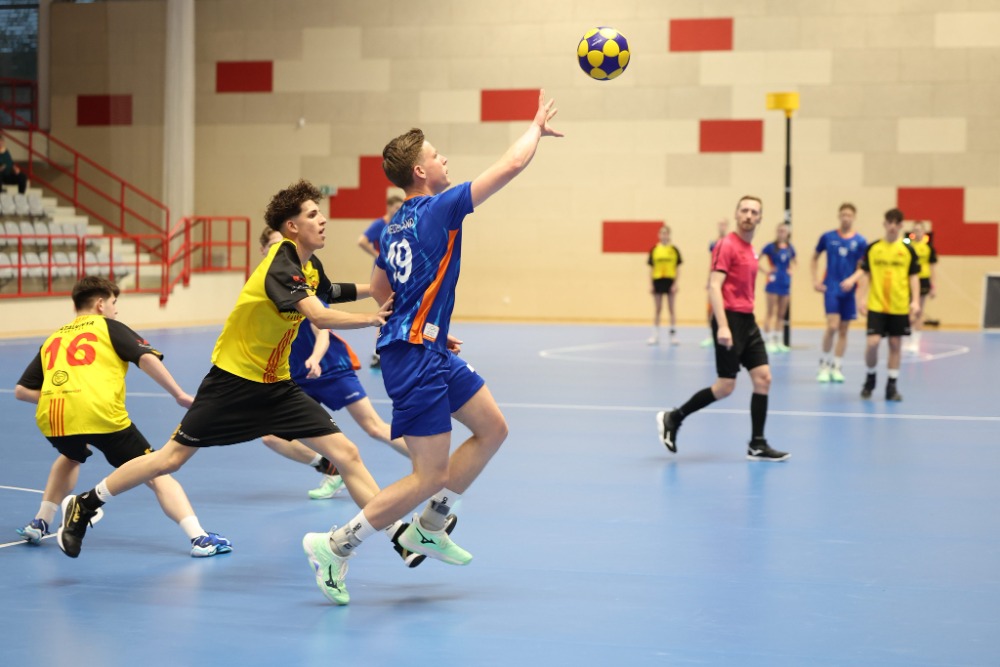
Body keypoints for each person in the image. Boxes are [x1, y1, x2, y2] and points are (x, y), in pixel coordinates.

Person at [298, 90, 563, 605]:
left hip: (428, 346)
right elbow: (510, 165)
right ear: (420, 172)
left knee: (493, 428)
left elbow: (381, 287)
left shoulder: (394, 224)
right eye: (437, 155)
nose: (445, 160)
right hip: (414, 357)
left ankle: (429, 528)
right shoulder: (441, 207)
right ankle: (334, 545)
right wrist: (535, 128)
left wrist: (427, 323)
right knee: (428, 475)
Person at [56, 181, 393, 576]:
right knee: (170, 460)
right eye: (313, 215)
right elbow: (318, 314)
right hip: (232, 383)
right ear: (292, 227)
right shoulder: (280, 265)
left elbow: (329, 290)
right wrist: (373, 318)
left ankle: (396, 532)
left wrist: (373, 289)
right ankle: (87, 503)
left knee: (347, 453)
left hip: (276, 386)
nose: (323, 220)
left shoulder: (308, 264)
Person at [13, 276, 231, 557]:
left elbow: (22, 391)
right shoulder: (108, 326)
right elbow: (146, 358)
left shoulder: (54, 338)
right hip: (101, 415)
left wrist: (62, 396)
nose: (116, 309)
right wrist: (178, 394)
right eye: (114, 302)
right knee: (157, 469)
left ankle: (40, 522)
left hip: (53, 420)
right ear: (100, 304)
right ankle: (199, 538)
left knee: (71, 455)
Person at [256, 227, 410, 501]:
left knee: (373, 426)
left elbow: (323, 328)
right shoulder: (263, 289)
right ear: (262, 251)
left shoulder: (302, 283)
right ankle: (329, 468)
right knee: (271, 436)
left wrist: (315, 358)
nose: (281, 252)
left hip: (331, 368)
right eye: (273, 247)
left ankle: (434, 467)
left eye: (284, 246)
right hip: (297, 375)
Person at [656, 196, 789, 462]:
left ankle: (757, 444)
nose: (749, 215)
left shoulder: (752, 250)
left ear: (760, 218)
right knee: (725, 386)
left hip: (748, 320)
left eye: (754, 212)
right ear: (737, 214)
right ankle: (674, 418)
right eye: (744, 210)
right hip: (729, 319)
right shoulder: (726, 245)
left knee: (763, 378)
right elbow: (714, 286)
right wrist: (723, 326)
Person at [854, 208, 920, 401]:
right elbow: (866, 274)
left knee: (895, 344)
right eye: (889, 222)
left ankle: (892, 385)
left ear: (901, 226)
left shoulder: (907, 250)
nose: (892, 226)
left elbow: (913, 277)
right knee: (872, 343)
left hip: (899, 306)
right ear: (884, 224)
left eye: (896, 223)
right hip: (877, 305)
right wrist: (860, 298)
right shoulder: (874, 248)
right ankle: (870, 377)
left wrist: (915, 301)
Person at [811, 203, 867, 383]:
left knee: (844, 329)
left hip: (849, 290)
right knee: (832, 325)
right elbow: (814, 258)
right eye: (843, 214)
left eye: (849, 215)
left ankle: (837, 366)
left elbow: (864, 268)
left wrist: (852, 280)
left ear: (854, 217)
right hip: (832, 288)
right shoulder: (828, 237)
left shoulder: (860, 241)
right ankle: (824, 364)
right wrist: (816, 280)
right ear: (839, 216)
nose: (846, 218)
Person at [359, 195, 404, 368]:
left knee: (397, 312)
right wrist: (378, 255)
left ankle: (393, 349)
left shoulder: (401, 224)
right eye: (396, 207)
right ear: (389, 207)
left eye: (401, 208)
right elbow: (362, 241)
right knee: (385, 312)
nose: (398, 211)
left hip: (399, 274)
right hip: (383, 276)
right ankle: (377, 352)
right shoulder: (380, 224)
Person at [759, 223, 797, 353]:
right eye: (779, 230)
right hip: (773, 282)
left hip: (785, 283)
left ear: (787, 233)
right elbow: (756, 260)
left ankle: (778, 341)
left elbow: (794, 262)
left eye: (784, 231)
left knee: (781, 314)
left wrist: (791, 270)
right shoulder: (770, 247)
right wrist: (766, 271)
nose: (781, 233)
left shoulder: (790, 248)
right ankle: (768, 340)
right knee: (771, 312)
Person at [903, 220, 937, 354]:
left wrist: (933, 286)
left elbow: (933, 267)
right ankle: (907, 338)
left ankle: (916, 341)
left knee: (918, 311)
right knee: (906, 311)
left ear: (923, 232)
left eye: (920, 230)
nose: (917, 233)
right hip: (907, 281)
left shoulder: (928, 248)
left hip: (923, 280)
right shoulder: (907, 246)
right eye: (915, 230)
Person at [646, 224, 682, 346]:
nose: (664, 235)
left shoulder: (674, 250)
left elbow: (678, 268)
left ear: (669, 235)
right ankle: (655, 335)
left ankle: (673, 335)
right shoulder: (655, 250)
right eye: (662, 233)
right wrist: (651, 284)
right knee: (658, 309)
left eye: (666, 233)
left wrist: (675, 284)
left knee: (671, 309)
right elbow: (651, 269)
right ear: (659, 235)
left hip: (670, 281)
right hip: (657, 280)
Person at [700, 218, 730, 347]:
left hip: (727, 279)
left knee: (726, 307)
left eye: (724, 224)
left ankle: (726, 332)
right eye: (720, 224)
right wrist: (709, 279)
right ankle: (710, 334)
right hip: (715, 278)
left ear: (727, 226)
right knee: (711, 307)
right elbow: (712, 262)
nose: (722, 226)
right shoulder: (713, 243)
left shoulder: (730, 243)